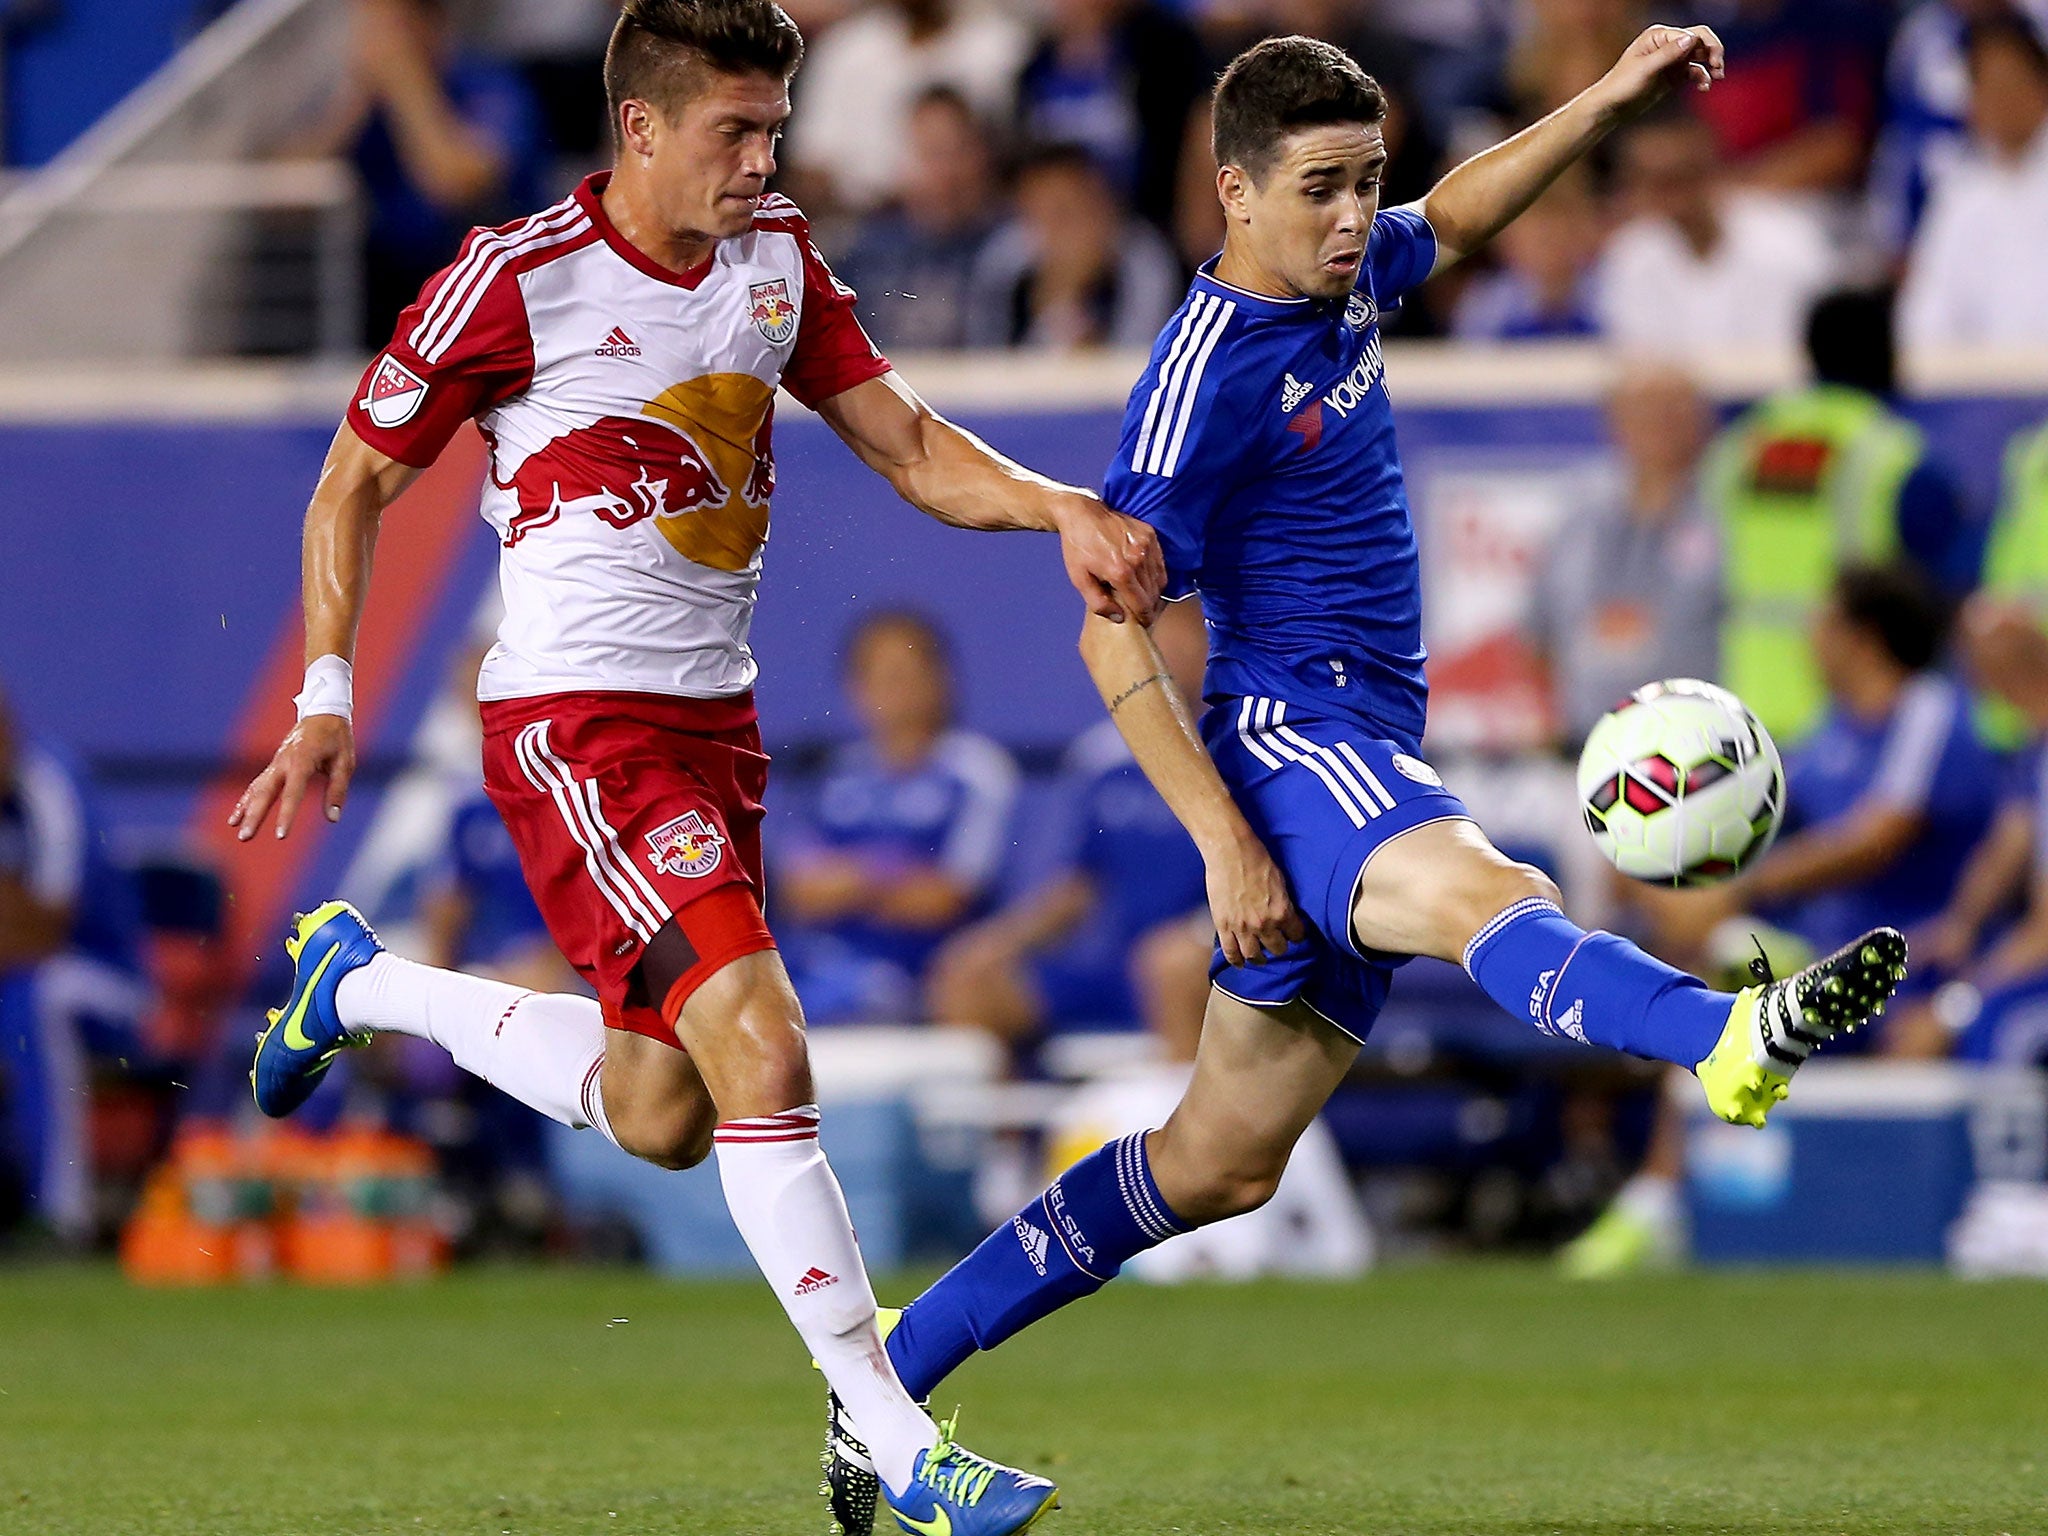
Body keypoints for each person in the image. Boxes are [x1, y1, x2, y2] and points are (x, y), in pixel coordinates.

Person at [820, 29, 1910, 1533]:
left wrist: (1600, 100)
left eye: (1366, 183)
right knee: (1496, 893)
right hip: (1292, 736)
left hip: (1365, 745)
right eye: (1323, 190)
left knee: (1217, 1164)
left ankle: (889, 1368)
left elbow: (1459, 217)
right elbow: (1111, 641)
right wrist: (1219, 838)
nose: (1356, 220)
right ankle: (1726, 1036)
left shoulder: (1344, 277)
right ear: (1234, 190)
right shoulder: (1202, 376)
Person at [228, 4, 1165, 1532]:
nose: (764, 159)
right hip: (575, 730)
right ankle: (896, 1436)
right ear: (642, 127)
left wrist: (1060, 503)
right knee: (763, 1046)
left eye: (776, 127)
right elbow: (356, 478)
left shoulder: (775, 261)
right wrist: (328, 690)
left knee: (668, 1109)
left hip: (715, 734)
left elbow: (910, 444)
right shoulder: (516, 278)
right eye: (736, 130)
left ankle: (359, 985)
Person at [1563, 563, 2002, 1276]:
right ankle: (1675, 1196)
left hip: (1921, 962)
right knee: (1709, 957)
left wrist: (1739, 890)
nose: (1808, 640)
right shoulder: (1828, 732)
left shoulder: (1928, 711)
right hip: (1819, 953)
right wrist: (1666, 859)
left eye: (1820, 623)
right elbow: (1760, 825)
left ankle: (1683, 1196)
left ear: (1859, 637)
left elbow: (1881, 833)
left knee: (1722, 942)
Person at [926, 598, 1212, 1055]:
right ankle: (1006, 1129)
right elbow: (1075, 891)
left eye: (1187, 633)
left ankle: (1184, 1124)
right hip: (1116, 968)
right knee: (969, 977)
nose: (1170, 648)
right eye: (1156, 634)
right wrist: (997, 943)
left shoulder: (1248, 752)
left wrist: (1193, 940)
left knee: (1169, 967)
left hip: (1206, 965)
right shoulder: (1103, 760)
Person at [1702, 286, 1973, 746]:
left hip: (1744, 705)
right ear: (1891, 352)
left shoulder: (1739, 448)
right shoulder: (1894, 457)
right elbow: (1943, 592)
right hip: (1857, 715)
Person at [777, 611, 1019, 1025]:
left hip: (926, 975)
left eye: (907, 673)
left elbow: (946, 896)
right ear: (855, 688)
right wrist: (893, 875)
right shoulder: (837, 775)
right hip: (822, 968)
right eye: (881, 676)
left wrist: (852, 880)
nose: (896, 690)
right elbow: (801, 892)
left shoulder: (975, 771)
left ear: (942, 678)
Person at [305, 0, 546, 348]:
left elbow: (456, 185)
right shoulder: (364, 101)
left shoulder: (488, 83)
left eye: (390, 28)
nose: (377, 43)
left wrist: (407, 84)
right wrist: (351, 106)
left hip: (486, 290)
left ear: (431, 25)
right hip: (387, 290)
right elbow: (295, 196)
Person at [0, 684, 143, 1244]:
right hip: (19, 976)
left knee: (38, 999)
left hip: (107, 977)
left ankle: (62, 1212)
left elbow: (47, 932)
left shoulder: (48, 783)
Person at [1531, 363, 1720, 740]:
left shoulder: (1729, 510)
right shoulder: (1579, 513)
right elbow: (1537, 632)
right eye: (1644, 411)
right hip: (1590, 740)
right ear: (1615, 421)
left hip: (1701, 742)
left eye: (1674, 410)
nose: (1660, 425)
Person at [1593, 105, 1836, 354]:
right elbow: (1637, 366)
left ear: (1711, 167)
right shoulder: (1627, 257)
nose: (1670, 194)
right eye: (1653, 181)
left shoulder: (1789, 242)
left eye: (1680, 176)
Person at [781, 0, 1029, 213]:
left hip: (972, 219)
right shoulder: (846, 48)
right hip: (862, 221)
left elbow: (1012, 161)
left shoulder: (1000, 46)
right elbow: (808, 167)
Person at [1899, 13, 2048, 350]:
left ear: (2042, 87)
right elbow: (1926, 317)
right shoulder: (1959, 198)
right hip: (1977, 387)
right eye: (1988, 86)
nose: (2002, 100)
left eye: (2014, 83)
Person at [1012, 0, 1212, 236]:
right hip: (1053, 229)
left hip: (1145, 225)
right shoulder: (1035, 69)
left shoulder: (1168, 49)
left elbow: (1197, 135)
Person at [965, 142, 1184, 349]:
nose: (1057, 227)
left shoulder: (1142, 257)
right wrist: (1057, 305)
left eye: (1065, 210)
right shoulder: (1006, 256)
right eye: (1041, 211)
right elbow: (986, 356)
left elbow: (1143, 356)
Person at [833, 86, 1004, 352]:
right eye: (931, 154)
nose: (946, 173)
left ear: (982, 155)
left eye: (957, 152)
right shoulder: (867, 254)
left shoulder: (1010, 248)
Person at [1449, 171, 1604, 341]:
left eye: (1564, 226)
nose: (1553, 240)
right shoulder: (1485, 306)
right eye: (1540, 237)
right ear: (1505, 239)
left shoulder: (1610, 294)